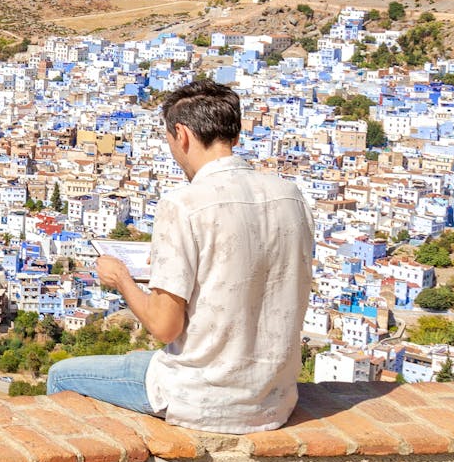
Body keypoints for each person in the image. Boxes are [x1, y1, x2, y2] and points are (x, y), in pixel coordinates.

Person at [47, 80, 314, 433]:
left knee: (61, 375)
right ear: (233, 136)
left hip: (200, 397)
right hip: (274, 399)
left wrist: (122, 279)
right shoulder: (291, 196)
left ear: (183, 135)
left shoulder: (184, 204)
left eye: (170, 140)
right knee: (135, 361)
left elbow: (164, 327)